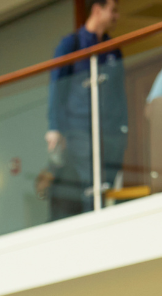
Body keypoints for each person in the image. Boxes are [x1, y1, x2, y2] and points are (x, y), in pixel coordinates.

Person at [47, 0, 126, 220]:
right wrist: (55, 127)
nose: (116, 16)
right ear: (97, 9)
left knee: (106, 182)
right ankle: (92, 224)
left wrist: (123, 127)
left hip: (110, 130)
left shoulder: (114, 49)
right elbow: (57, 87)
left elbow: (119, 93)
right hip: (79, 127)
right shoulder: (71, 45)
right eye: (113, 10)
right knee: (88, 180)